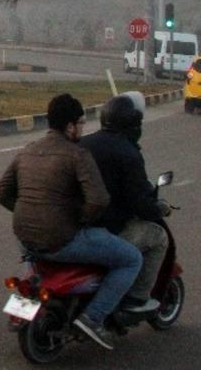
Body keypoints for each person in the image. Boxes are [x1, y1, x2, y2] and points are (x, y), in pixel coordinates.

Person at [0, 93, 142, 351]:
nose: (83, 129)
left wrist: (26, 210)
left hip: (25, 240)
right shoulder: (77, 154)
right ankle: (92, 318)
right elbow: (99, 200)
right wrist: (81, 219)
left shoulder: (28, 150)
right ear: (70, 126)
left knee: (37, 274)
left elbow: (1, 194)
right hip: (62, 240)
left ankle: (25, 310)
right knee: (131, 259)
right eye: (81, 123)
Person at [80, 91, 171, 314]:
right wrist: (156, 208)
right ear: (133, 125)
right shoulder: (128, 153)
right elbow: (139, 201)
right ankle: (137, 296)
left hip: (75, 225)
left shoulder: (82, 144)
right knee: (158, 237)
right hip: (108, 229)